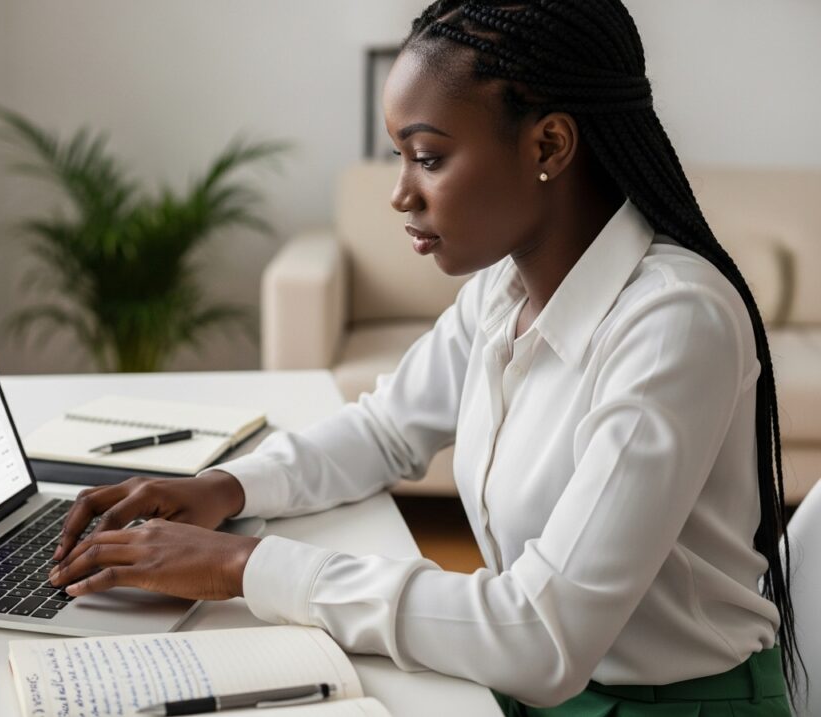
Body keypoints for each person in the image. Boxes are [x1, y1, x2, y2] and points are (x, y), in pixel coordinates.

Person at [48, 1, 801, 713]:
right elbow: (385, 429)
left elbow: (543, 634)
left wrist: (241, 566)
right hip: (540, 684)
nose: (401, 194)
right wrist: (223, 488)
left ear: (549, 145)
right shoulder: (506, 289)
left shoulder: (675, 323)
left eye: (428, 157)